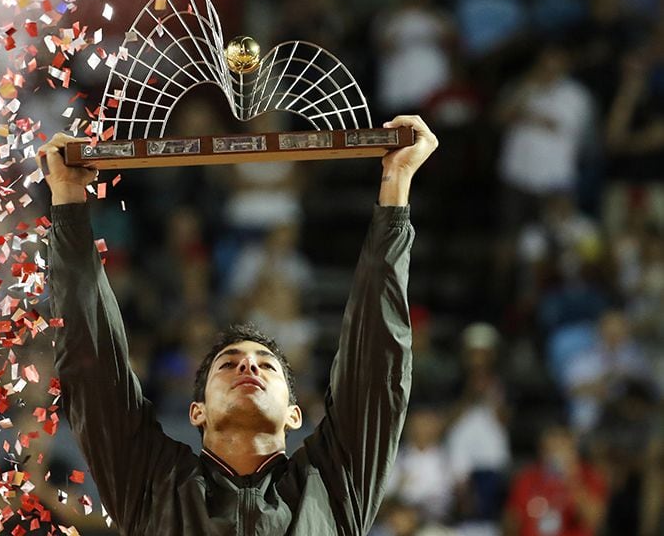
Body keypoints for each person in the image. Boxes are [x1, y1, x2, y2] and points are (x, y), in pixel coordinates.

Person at [36, 115, 438, 534]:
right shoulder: (154, 484)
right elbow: (94, 369)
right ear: (197, 412)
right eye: (228, 364)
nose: (248, 367)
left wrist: (396, 184)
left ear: (295, 415)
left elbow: (376, 367)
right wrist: (66, 199)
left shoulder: (332, 486)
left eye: (266, 365)